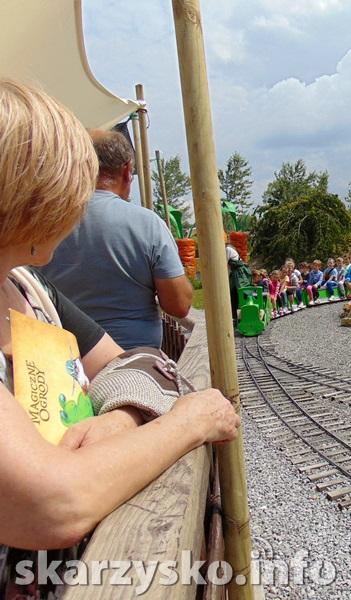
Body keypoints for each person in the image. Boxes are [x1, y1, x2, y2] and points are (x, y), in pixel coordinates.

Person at [0, 79, 240, 554]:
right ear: (31, 197)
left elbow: (141, 363)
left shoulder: (27, 285)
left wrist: (120, 419)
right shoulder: (145, 224)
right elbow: (52, 504)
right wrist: (187, 423)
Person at [40, 130, 192, 350]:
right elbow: (179, 305)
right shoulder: (147, 223)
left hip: (64, 361)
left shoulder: (46, 224)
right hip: (133, 359)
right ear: (127, 170)